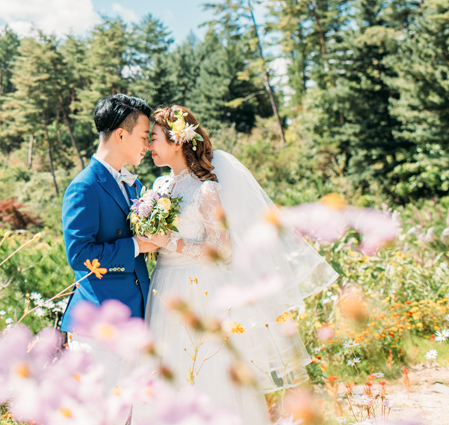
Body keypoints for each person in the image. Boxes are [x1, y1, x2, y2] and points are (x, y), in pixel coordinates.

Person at [139, 105, 337, 423]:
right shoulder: (160, 187)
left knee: (205, 369)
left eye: (156, 138)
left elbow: (224, 249)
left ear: (177, 141)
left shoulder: (207, 190)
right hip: (164, 286)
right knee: (169, 367)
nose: (150, 146)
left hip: (198, 290)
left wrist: (169, 242)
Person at [59, 94, 158, 398]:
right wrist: (136, 246)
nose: (148, 145)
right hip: (99, 326)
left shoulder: (133, 185)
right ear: (120, 134)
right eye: (144, 136)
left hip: (135, 317)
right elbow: (79, 255)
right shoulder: (84, 186)